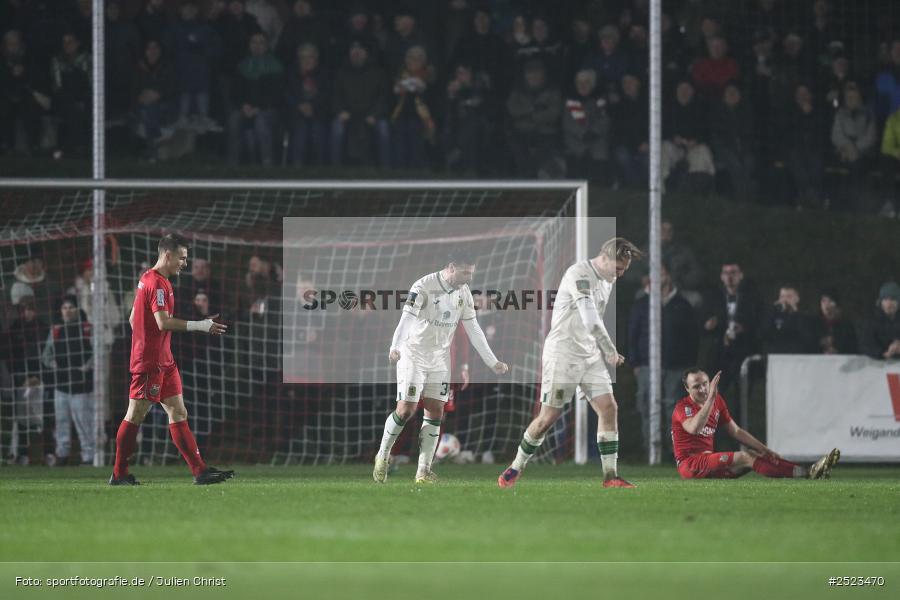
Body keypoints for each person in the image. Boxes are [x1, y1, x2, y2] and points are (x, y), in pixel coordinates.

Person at [498, 238, 642, 489]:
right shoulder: (579, 274)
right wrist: (609, 350)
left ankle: (611, 476)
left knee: (609, 408)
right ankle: (515, 467)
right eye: (617, 268)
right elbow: (590, 320)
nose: (620, 274)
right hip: (563, 354)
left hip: (589, 354)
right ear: (604, 257)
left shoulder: (607, 279)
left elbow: (593, 323)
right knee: (547, 418)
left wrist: (599, 350)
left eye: (624, 270)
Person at [373, 251, 508, 484]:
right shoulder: (423, 286)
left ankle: (423, 471)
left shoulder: (463, 292)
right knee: (406, 410)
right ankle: (383, 455)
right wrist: (395, 347)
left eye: (472, 273)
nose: (469, 278)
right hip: (413, 354)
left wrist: (492, 361)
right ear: (451, 267)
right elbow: (405, 320)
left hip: (440, 358)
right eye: (466, 272)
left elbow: (473, 328)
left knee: (436, 411)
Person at [109, 234, 232, 486]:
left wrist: (148, 338)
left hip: (164, 360)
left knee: (178, 411)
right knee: (135, 414)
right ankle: (119, 473)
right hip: (150, 363)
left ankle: (200, 471)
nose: (184, 263)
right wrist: (201, 325)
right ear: (168, 255)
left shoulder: (148, 279)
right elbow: (163, 322)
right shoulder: (158, 284)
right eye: (182, 258)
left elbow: (134, 319)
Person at [672, 368, 839, 480]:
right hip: (691, 464)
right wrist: (710, 399)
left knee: (756, 455)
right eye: (696, 387)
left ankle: (811, 469)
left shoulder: (717, 401)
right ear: (687, 389)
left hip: (710, 463)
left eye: (705, 384)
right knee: (746, 457)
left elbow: (736, 431)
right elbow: (695, 428)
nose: (703, 389)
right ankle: (808, 474)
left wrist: (765, 449)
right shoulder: (683, 408)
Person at [628, 264, 699, 456]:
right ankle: (650, 449)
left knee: (673, 410)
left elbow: (692, 336)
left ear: (668, 276)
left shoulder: (682, 304)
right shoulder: (642, 304)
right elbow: (632, 335)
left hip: (676, 367)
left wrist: (689, 365)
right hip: (647, 367)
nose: (657, 278)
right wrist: (635, 364)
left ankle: (673, 452)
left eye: (661, 273)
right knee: (647, 408)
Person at [41, 296, 96, 465]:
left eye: (71, 307)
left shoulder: (87, 329)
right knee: (61, 422)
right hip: (61, 385)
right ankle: (62, 455)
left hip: (82, 386)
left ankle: (88, 456)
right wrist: (52, 363)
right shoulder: (56, 330)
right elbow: (46, 355)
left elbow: (97, 352)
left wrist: (87, 366)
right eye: (64, 307)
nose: (67, 310)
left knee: (83, 422)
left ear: (77, 310)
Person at [760, 285, 816, 354]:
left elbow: (807, 337)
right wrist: (772, 311)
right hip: (775, 356)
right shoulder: (771, 315)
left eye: (789, 296)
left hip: (795, 356)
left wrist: (795, 313)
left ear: (797, 299)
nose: (785, 300)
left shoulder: (805, 317)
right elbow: (763, 333)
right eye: (782, 296)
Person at [860, 281, 900, 360]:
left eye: (892, 299)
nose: (889, 303)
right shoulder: (871, 321)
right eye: (885, 299)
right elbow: (865, 344)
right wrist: (882, 353)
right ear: (880, 302)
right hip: (879, 367)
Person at [813, 289, 857, 354]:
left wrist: (837, 350)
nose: (826, 304)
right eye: (823, 301)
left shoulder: (846, 325)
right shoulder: (814, 323)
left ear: (836, 304)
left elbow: (853, 347)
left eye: (830, 301)